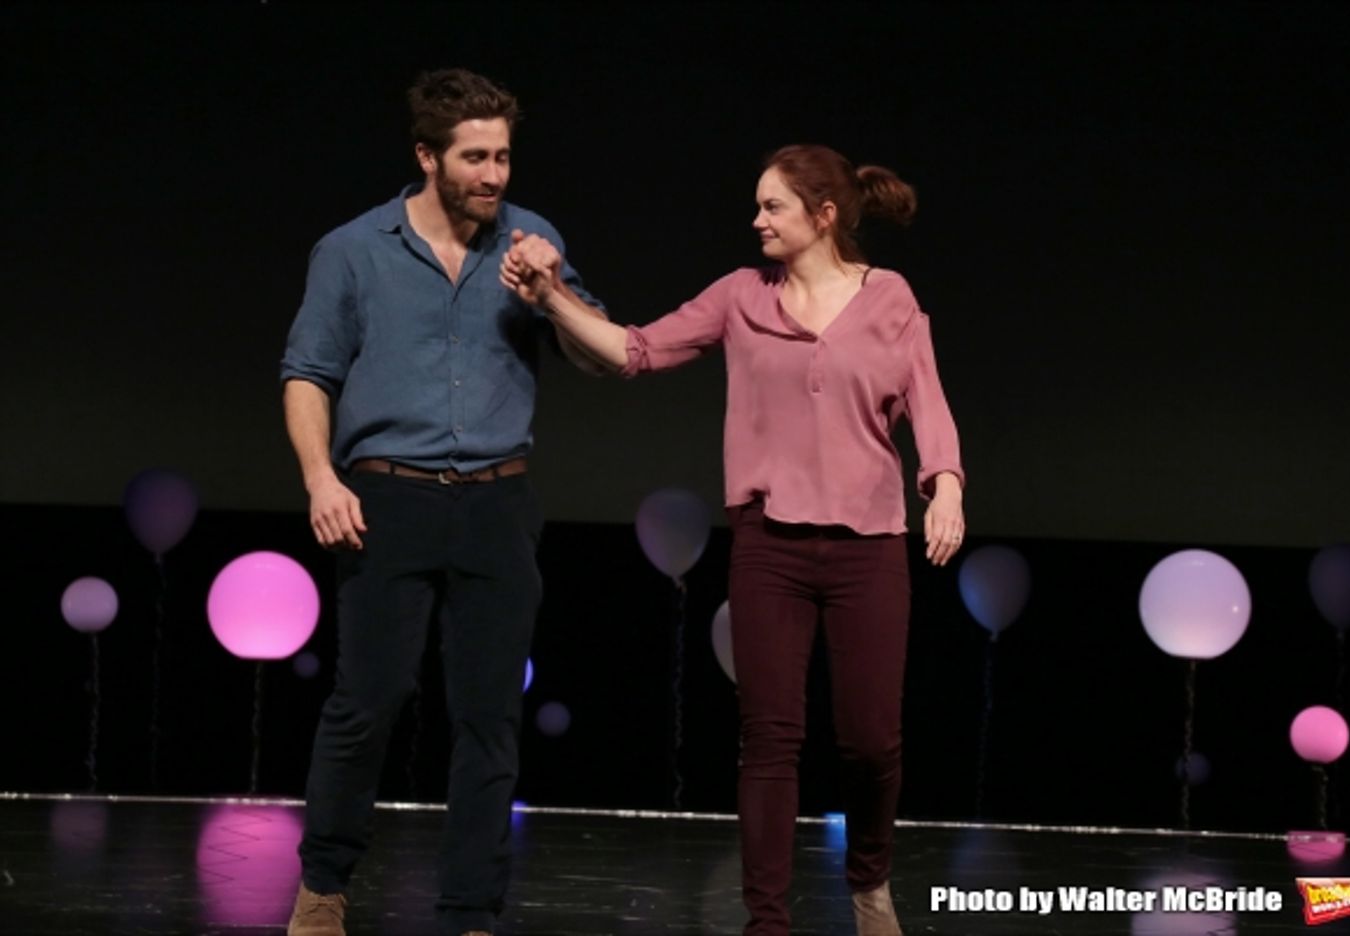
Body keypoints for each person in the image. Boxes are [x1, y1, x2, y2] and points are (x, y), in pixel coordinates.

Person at [500, 144, 965, 936]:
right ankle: (766, 923)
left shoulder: (889, 297)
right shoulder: (739, 297)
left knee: (870, 742)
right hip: (770, 545)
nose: (756, 220)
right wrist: (551, 299)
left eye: (773, 206)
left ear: (823, 216)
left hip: (868, 547)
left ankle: (870, 882)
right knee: (769, 738)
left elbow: (928, 400)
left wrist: (945, 485)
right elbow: (636, 350)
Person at [279, 68, 606, 936]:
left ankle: (469, 910)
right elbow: (308, 374)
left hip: (498, 504)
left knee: (488, 718)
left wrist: (552, 292)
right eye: (474, 157)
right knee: (367, 703)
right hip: (387, 499)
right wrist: (321, 479)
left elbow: (604, 356)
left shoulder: (533, 241)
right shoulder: (354, 250)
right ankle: (323, 889)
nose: (493, 175)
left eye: (502, 156)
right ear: (428, 157)